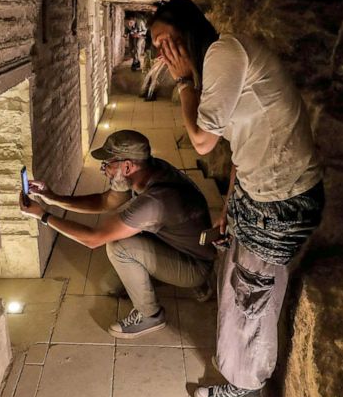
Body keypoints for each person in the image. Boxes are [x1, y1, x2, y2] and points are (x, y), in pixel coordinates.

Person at [150, 0, 324, 397]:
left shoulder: (224, 53)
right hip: (257, 191)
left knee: (252, 293)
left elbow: (203, 140)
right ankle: (235, 363)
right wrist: (230, 205)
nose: (163, 54)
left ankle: (246, 387)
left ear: (187, 32)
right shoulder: (215, 65)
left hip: (281, 199)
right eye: (156, 47)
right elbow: (239, 146)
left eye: (166, 42)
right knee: (236, 280)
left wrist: (183, 81)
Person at [18, 129, 215, 338]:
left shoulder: (155, 200)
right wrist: (52, 197)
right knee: (110, 286)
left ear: (127, 166)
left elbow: (93, 239)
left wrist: (43, 216)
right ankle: (166, 277)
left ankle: (151, 315)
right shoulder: (149, 170)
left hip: (195, 265)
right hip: (182, 244)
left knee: (118, 247)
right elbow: (107, 202)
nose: (104, 170)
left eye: (108, 164)